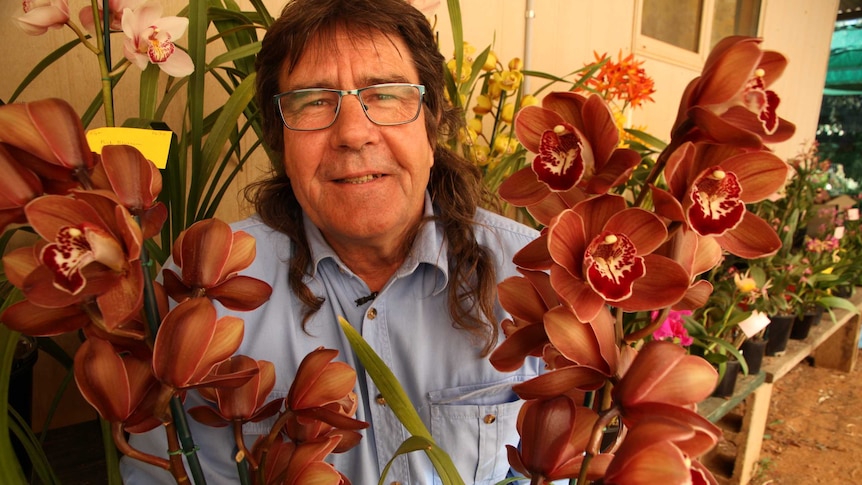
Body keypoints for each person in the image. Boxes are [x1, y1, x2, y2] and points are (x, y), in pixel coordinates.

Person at [120, 0, 542, 483]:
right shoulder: (202, 294)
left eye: (385, 95)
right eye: (314, 101)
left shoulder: (533, 278)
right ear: (278, 140)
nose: (353, 133)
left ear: (433, 123)